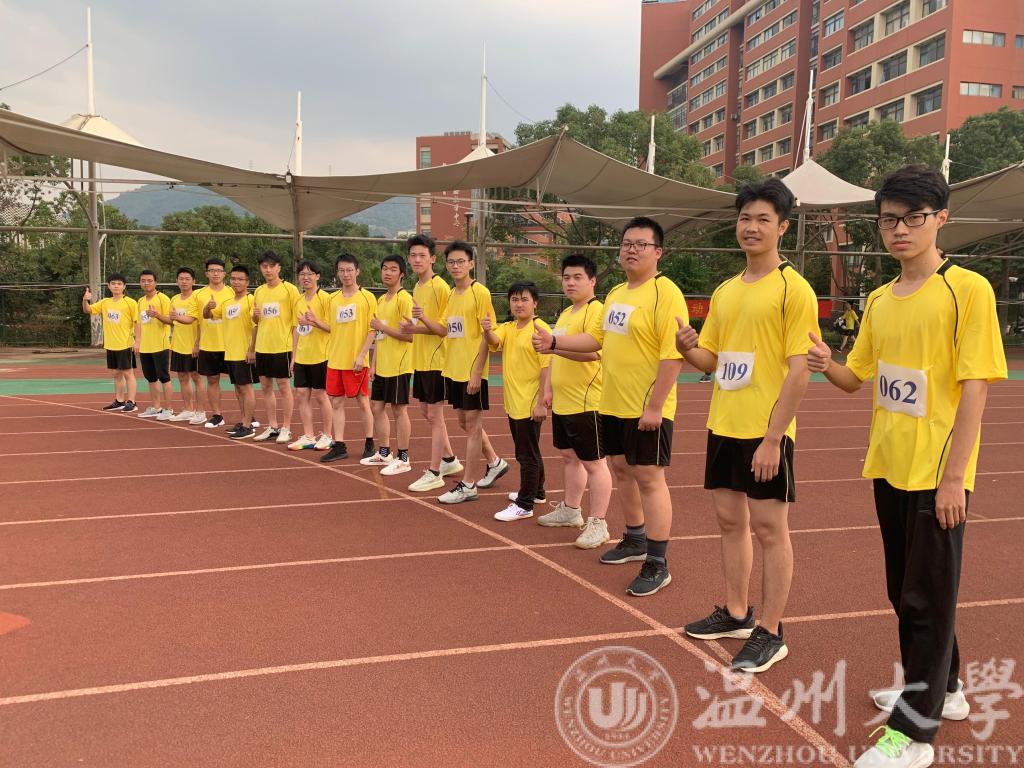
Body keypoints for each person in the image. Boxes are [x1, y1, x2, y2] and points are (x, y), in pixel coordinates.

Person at [806, 166, 1007, 768]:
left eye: (913, 218)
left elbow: (975, 388)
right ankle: (948, 689)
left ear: (940, 218)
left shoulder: (967, 290)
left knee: (926, 597)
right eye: (889, 219)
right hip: (889, 465)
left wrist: (955, 479)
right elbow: (856, 378)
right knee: (906, 591)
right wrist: (824, 361)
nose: (899, 230)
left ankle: (914, 734)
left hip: (937, 473)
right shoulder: (877, 300)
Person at [676, 179, 818, 674]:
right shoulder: (726, 290)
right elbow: (711, 359)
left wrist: (773, 439)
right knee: (729, 523)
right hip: (724, 424)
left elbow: (800, 370)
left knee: (770, 529)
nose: (751, 227)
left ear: (782, 227)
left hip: (765, 431)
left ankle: (771, 631)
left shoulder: (793, 289)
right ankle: (737, 613)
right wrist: (687, 348)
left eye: (762, 219)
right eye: (744, 218)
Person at [533, 216, 686, 597]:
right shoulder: (617, 293)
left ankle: (658, 561)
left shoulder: (665, 292)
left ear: (658, 252)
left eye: (641, 244)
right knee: (621, 470)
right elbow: (596, 340)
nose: (632, 250)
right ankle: (634, 538)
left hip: (646, 406)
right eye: (627, 243)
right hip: (613, 404)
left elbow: (673, 355)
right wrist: (554, 343)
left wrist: (655, 406)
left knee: (650, 478)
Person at [536, 254, 613, 549]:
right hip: (564, 399)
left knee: (594, 463)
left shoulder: (597, 311)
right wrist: (548, 388)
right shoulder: (567, 313)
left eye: (577, 277)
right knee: (569, 457)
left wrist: (554, 346)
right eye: (566, 277)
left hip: (587, 400)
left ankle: (599, 522)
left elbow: (594, 353)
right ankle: (571, 510)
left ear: (592, 281)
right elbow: (553, 354)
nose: (570, 282)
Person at [435, 241, 509, 504]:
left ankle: (468, 484)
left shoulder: (480, 293)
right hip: (453, 369)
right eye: (451, 262)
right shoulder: (451, 294)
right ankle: (495, 462)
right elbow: (447, 328)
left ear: (470, 264)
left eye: (460, 261)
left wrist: (477, 372)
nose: (455, 266)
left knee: (473, 425)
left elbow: (487, 334)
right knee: (464, 422)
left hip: (472, 370)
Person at [474, 282, 550, 521]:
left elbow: (546, 368)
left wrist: (541, 403)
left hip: (529, 403)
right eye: (514, 299)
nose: (519, 304)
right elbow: (494, 340)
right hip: (514, 401)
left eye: (524, 299)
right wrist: (487, 330)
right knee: (529, 450)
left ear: (535, 303)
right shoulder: (509, 327)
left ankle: (524, 504)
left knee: (526, 455)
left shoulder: (539, 329)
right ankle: (537, 492)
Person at [400, 234, 463, 492]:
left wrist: (419, 324)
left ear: (433, 259)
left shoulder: (440, 288)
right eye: (413, 255)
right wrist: (412, 327)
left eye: (422, 256)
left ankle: (435, 472)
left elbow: (443, 329)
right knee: (426, 412)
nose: (417, 260)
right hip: (421, 359)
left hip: (437, 359)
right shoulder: (418, 287)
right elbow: (424, 324)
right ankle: (449, 460)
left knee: (435, 415)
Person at [321, 254, 376, 463]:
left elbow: (372, 329)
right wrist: (315, 322)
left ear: (357, 271)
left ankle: (369, 443)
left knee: (362, 401)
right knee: (336, 402)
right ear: (337, 273)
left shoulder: (367, 297)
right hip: (335, 359)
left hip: (357, 360)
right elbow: (332, 327)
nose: (346, 274)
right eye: (342, 270)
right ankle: (339, 445)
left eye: (350, 270)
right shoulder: (332, 299)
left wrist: (362, 355)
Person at [362, 255, 415, 474]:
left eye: (393, 269)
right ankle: (384, 452)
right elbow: (379, 336)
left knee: (398, 409)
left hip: (399, 365)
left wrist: (381, 327)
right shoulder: (381, 300)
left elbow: (409, 336)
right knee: (376, 406)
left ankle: (403, 457)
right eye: (384, 268)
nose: (387, 272)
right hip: (382, 364)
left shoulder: (405, 299)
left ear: (402, 274)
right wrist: (374, 363)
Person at [252, 251, 300, 444]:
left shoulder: (290, 290)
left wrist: (295, 353)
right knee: (265, 386)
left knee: (283, 386)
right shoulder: (258, 291)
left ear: (279, 267)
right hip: (263, 346)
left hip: (282, 346)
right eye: (264, 266)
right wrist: (255, 316)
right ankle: (272, 426)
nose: (268, 270)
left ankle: (286, 428)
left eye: (272, 266)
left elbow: (296, 324)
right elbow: (256, 321)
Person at [287, 260, 334, 451]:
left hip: (321, 355)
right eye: (302, 274)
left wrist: (315, 322)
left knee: (321, 395)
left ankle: (328, 435)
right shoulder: (298, 300)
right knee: (301, 394)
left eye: (309, 274)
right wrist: (293, 357)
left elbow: (333, 328)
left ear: (317, 276)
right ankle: (308, 435)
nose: (305, 277)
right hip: (302, 356)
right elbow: (296, 329)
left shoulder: (325, 299)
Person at [208, 265, 259, 440]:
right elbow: (209, 315)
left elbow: (256, 325)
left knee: (246, 387)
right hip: (230, 352)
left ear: (247, 282)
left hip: (244, 352)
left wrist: (252, 349)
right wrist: (208, 307)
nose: (237, 282)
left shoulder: (251, 300)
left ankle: (248, 425)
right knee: (238, 388)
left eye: (241, 279)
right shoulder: (227, 303)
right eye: (234, 279)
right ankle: (243, 420)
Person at [83, 273, 139, 413]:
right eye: (113, 283)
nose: (116, 286)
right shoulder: (105, 302)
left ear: (124, 286)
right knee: (116, 374)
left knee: (128, 373)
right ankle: (119, 401)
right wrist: (85, 300)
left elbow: (137, 322)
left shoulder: (130, 302)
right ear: (108, 286)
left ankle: (132, 402)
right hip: (111, 344)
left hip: (125, 344)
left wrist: (137, 341)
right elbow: (88, 310)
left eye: (119, 284)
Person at [190, 258, 234, 428]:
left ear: (224, 273)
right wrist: (196, 343)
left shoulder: (232, 292)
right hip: (208, 345)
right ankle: (217, 415)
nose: (216, 273)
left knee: (240, 383)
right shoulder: (198, 294)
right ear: (206, 273)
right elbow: (196, 321)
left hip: (231, 345)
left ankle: (248, 417)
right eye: (212, 270)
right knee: (212, 380)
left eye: (219, 270)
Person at [135, 270, 175, 420]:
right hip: (146, 346)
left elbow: (171, 321)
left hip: (160, 345)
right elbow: (139, 323)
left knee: (164, 377)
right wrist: (137, 341)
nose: (146, 283)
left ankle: (169, 409)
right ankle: (156, 407)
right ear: (140, 283)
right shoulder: (140, 301)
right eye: (143, 281)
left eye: (149, 280)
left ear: (155, 282)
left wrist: (157, 315)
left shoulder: (163, 298)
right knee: (151, 378)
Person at [167, 267, 204, 422]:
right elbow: (171, 320)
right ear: (177, 281)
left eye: (187, 279)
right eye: (181, 279)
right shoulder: (174, 299)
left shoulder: (197, 298)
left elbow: (199, 322)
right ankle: (188, 409)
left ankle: (200, 412)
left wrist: (197, 344)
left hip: (193, 345)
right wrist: (156, 315)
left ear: (193, 281)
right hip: (178, 344)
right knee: (182, 377)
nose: (184, 281)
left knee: (197, 378)